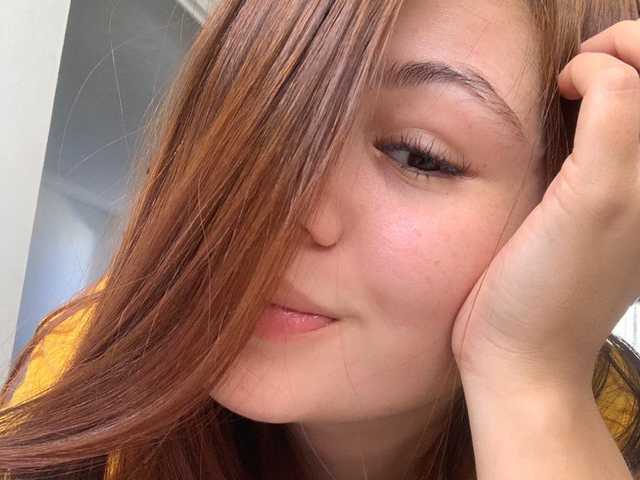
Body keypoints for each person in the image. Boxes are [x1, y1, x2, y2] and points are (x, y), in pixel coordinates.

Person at [1, 1, 640, 479]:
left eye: (418, 155)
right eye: (257, 118)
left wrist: (533, 384)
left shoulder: (610, 434)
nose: (268, 207)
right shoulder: (84, 364)